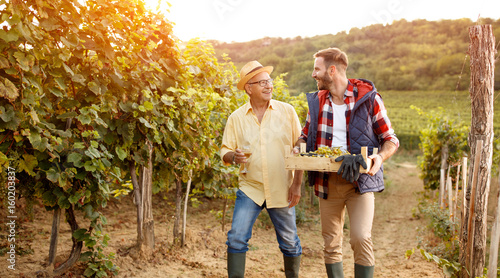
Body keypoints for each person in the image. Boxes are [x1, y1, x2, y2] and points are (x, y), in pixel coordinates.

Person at [293, 48, 399, 278]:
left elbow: (390, 139)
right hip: (326, 182)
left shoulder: (369, 99)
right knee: (331, 244)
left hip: (359, 182)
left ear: (332, 70)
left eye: (317, 69)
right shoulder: (318, 102)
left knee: (361, 237)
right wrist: (298, 146)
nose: (314, 74)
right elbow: (305, 135)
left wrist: (378, 158)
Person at [221, 61, 303, 278]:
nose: (269, 86)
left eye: (270, 81)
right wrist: (234, 156)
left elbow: (301, 145)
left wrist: (296, 185)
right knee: (236, 238)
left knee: (290, 243)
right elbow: (225, 153)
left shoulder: (287, 111)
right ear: (249, 87)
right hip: (251, 188)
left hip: (281, 187)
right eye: (263, 82)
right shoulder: (236, 118)